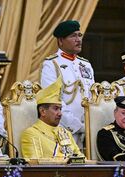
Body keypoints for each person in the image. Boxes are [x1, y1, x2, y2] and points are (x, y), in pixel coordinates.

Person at [41, 20, 94, 148]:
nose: (78, 39)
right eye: (73, 36)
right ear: (60, 41)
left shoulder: (86, 65)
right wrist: (78, 126)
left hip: (88, 132)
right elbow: (54, 100)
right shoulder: (51, 64)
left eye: (79, 35)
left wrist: (90, 124)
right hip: (63, 130)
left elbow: (93, 97)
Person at [21, 76, 83, 159]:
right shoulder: (31, 134)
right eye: (56, 109)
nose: (60, 113)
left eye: (60, 109)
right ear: (43, 111)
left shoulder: (65, 132)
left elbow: (81, 159)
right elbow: (35, 166)